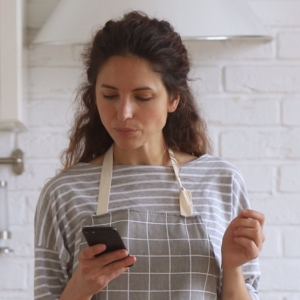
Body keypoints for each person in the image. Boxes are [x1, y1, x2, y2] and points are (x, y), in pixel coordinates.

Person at [34, 11, 265, 300]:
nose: (123, 113)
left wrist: (232, 267)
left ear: (173, 99)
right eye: (109, 95)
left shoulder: (221, 181)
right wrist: (81, 287)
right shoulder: (64, 193)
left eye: (142, 97)